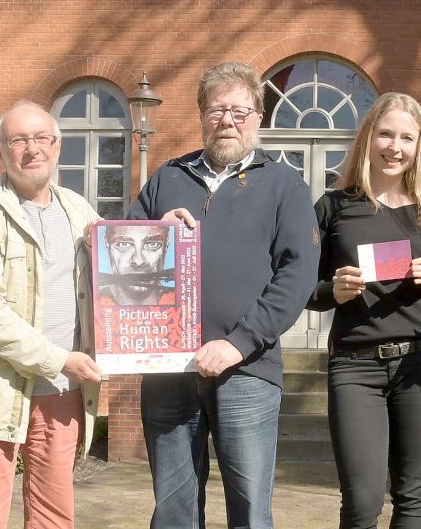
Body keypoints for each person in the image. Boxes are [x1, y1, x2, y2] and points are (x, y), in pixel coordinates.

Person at [129, 61, 320, 529]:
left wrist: (239, 342)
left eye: (240, 110)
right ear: (201, 116)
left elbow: (297, 276)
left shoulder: (284, 185)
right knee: (173, 509)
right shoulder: (166, 179)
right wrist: (153, 233)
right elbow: (119, 260)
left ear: (258, 116)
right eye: (217, 110)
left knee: (250, 509)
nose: (228, 121)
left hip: (247, 370)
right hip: (168, 368)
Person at [308, 92, 421, 529]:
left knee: (413, 497)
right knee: (361, 501)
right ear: (367, 138)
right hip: (355, 366)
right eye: (385, 134)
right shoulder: (333, 207)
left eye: (407, 138)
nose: (395, 147)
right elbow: (302, 287)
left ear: (420, 147)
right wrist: (332, 290)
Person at [0, 100, 103, 529]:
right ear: (1, 151)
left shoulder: (78, 210)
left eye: (41, 139)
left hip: (62, 391)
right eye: (18, 140)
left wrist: (163, 235)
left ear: (57, 147)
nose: (31, 149)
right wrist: (59, 358)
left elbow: (121, 267)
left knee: (54, 517)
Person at [98, 224, 176, 306]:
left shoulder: (184, 304)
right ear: (107, 244)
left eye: (152, 244)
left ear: (166, 245)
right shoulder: (94, 302)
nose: (139, 261)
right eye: (124, 244)